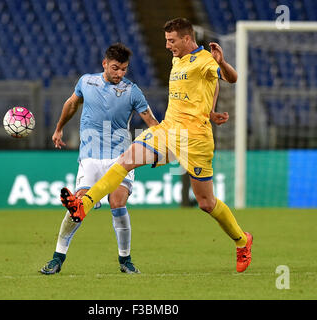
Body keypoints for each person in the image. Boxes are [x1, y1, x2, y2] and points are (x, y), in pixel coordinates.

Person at [60, 18, 253, 273]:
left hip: (194, 139)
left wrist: (222, 62)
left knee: (206, 202)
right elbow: (205, 86)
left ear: (186, 38)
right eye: (165, 40)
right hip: (168, 130)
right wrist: (211, 109)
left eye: (171, 41)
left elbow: (231, 78)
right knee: (126, 160)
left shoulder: (206, 59)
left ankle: (242, 240)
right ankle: (82, 206)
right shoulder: (178, 59)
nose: (167, 46)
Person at [40, 43, 159, 275]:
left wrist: (162, 146)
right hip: (90, 157)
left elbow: (152, 122)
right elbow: (71, 103)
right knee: (78, 206)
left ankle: (125, 260)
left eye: (124, 69)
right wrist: (59, 128)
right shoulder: (86, 81)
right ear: (104, 64)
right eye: (115, 68)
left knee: (118, 202)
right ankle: (57, 258)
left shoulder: (132, 91)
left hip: (121, 157)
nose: (120, 74)